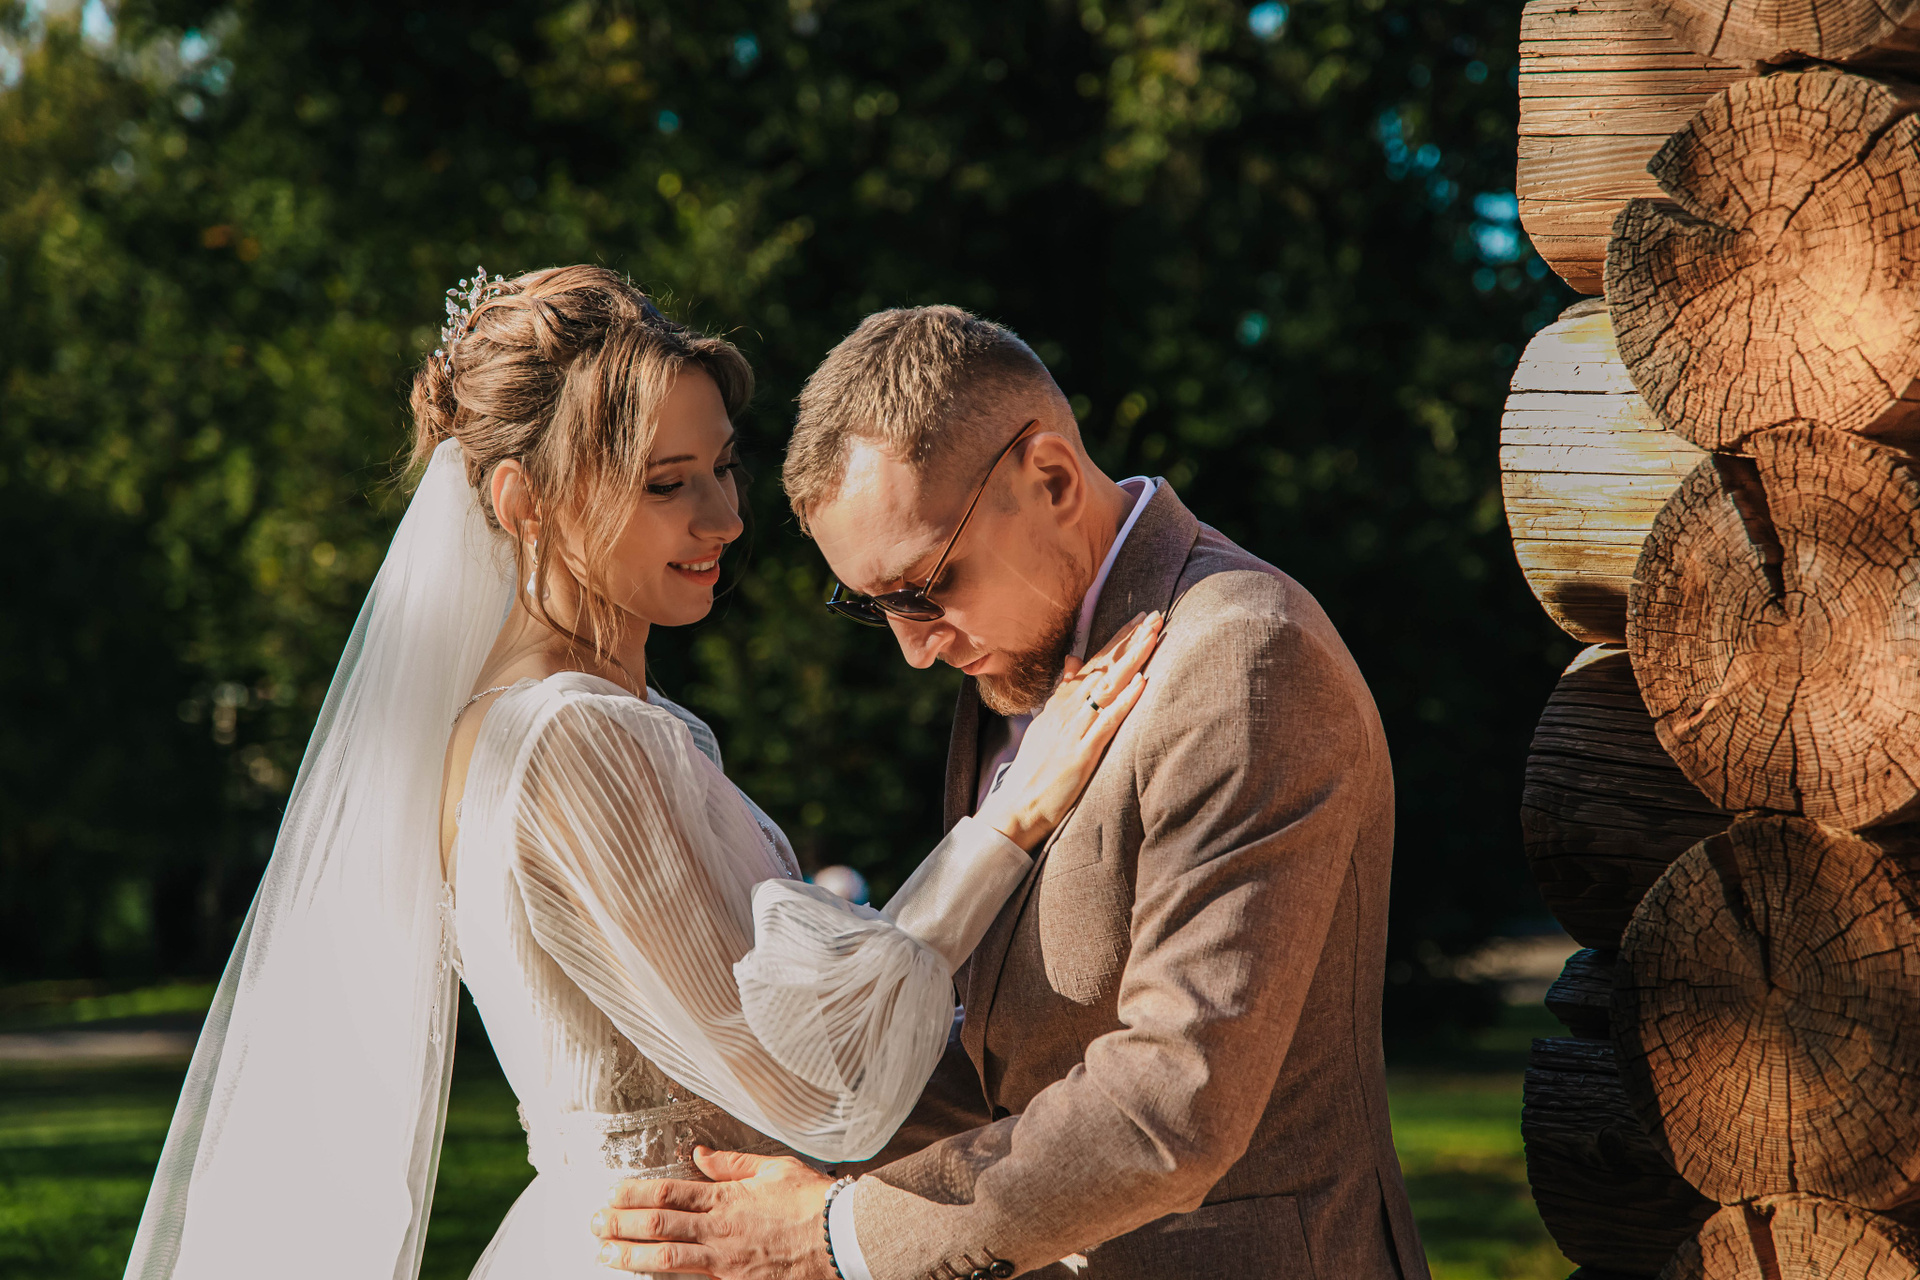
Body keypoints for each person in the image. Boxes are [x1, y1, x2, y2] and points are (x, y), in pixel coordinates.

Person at [121, 269, 1161, 1280]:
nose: (725, 518)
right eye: (668, 484)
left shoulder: (583, 718)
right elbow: (808, 1081)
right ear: (524, 500)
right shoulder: (567, 734)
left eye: (723, 467)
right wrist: (1007, 822)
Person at [593, 306, 1430, 1280]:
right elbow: (1008, 1064)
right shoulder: (1018, 652)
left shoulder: (1243, 660)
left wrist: (835, 1233)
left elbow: (1173, 1100)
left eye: (926, 585)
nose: (915, 649)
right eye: (873, 605)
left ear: (1053, 478)